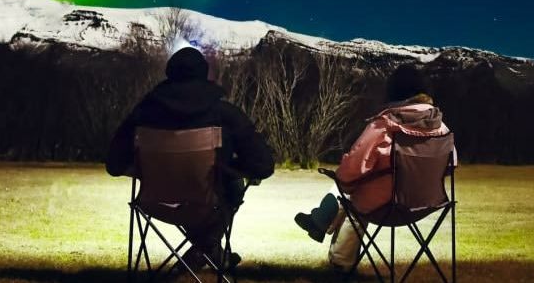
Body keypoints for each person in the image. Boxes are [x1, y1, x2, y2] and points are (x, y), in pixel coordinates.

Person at [106, 46, 274, 267]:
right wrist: (227, 166)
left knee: (216, 187)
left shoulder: (143, 114)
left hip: (154, 202)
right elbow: (263, 165)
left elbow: (114, 164)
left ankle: (205, 249)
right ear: (204, 74)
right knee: (233, 184)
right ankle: (206, 247)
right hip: (208, 202)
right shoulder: (223, 114)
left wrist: (146, 169)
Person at [294, 63, 451, 269]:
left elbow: (354, 166)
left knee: (351, 194)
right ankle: (320, 224)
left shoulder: (385, 124)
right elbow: (451, 165)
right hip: (427, 203)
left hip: (386, 205)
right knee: (354, 192)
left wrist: (345, 180)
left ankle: (335, 251)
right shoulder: (441, 127)